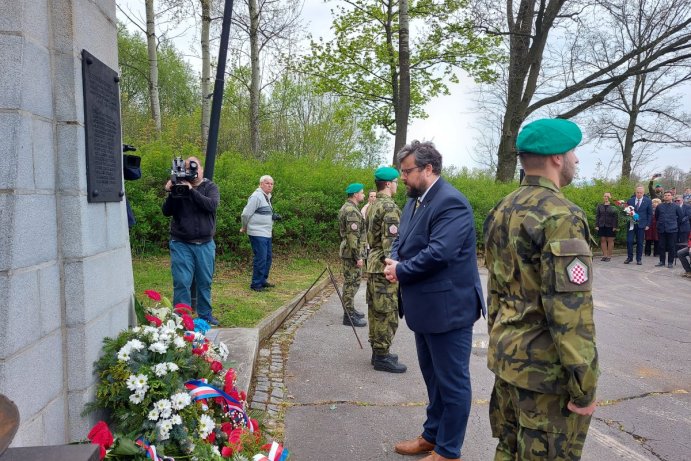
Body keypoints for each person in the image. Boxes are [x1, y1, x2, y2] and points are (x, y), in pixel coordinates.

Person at [483, 118, 599, 461]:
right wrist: (584, 386)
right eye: (574, 152)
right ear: (557, 158)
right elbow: (570, 313)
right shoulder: (562, 216)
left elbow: (495, 293)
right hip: (545, 377)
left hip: (507, 361)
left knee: (507, 450)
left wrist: (500, 343)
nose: (577, 160)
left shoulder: (501, 210)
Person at [385, 141, 485, 461]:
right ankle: (432, 435)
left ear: (429, 169)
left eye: (407, 171)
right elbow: (401, 240)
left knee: (452, 383)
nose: (402, 177)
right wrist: (393, 261)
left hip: (449, 309)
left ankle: (448, 450)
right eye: (402, 171)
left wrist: (401, 270)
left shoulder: (451, 202)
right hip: (424, 309)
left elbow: (440, 253)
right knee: (433, 379)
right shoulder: (414, 201)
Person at [162, 156, 220, 325]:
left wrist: (192, 191)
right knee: (182, 281)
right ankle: (182, 317)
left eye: (196, 169)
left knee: (204, 281)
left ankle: (205, 314)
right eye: (188, 169)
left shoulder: (210, 187)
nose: (193, 173)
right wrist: (172, 192)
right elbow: (166, 212)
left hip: (205, 243)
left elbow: (211, 206)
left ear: (201, 169)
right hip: (181, 243)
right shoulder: (178, 186)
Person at [366, 166, 407, 373]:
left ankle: (378, 351)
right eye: (397, 182)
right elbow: (390, 243)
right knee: (386, 312)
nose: (398, 185)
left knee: (375, 309)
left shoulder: (373, 205)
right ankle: (382, 355)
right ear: (389, 184)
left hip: (373, 262)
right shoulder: (389, 208)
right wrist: (393, 268)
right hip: (384, 265)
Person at [338, 183, 367, 327]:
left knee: (352, 282)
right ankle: (348, 316)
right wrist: (358, 257)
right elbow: (352, 237)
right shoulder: (352, 211)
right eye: (362, 192)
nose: (364, 195)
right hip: (351, 253)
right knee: (352, 283)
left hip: (350, 252)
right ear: (355, 194)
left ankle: (350, 310)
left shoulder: (349, 208)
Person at [241, 175, 276, 292]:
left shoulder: (267, 197)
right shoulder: (256, 196)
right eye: (267, 183)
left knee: (268, 258)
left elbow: (263, 213)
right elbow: (246, 214)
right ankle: (256, 284)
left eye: (271, 184)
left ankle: (262, 280)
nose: (270, 185)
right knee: (261, 258)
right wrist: (244, 226)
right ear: (261, 184)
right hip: (257, 232)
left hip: (266, 232)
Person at [624, 185, 652, 265]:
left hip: (642, 225)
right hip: (631, 224)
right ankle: (629, 258)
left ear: (643, 193)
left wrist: (648, 224)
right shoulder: (630, 200)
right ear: (635, 192)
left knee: (640, 242)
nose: (639, 194)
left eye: (641, 193)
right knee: (629, 241)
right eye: (637, 192)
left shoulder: (648, 201)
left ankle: (638, 259)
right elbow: (626, 212)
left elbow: (649, 214)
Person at [655, 191, 683, 268]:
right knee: (661, 246)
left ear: (671, 197)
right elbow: (657, 216)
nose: (667, 196)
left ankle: (670, 262)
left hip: (672, 229)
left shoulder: (676, 206)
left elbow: (680, 217)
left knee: (671, 246)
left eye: (668, 195)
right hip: (661, 229)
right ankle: (662, 261)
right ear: (663, 197)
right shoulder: (659, 206)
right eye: (665, 195)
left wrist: (674, 224)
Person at [594, 192, 618, 261]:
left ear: (610, 197)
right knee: (603, 240)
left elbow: (615, 217)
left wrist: (615, 226)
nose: (606, 197)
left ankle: (609, 256)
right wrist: (596, 225)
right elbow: (597, 216)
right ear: (603, 197)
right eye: (604, 196)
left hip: (611, 225)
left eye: (607, 196)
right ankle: (604, 255)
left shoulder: (613, 206)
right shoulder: (600, 206)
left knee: (610, 241)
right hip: (601, 225)